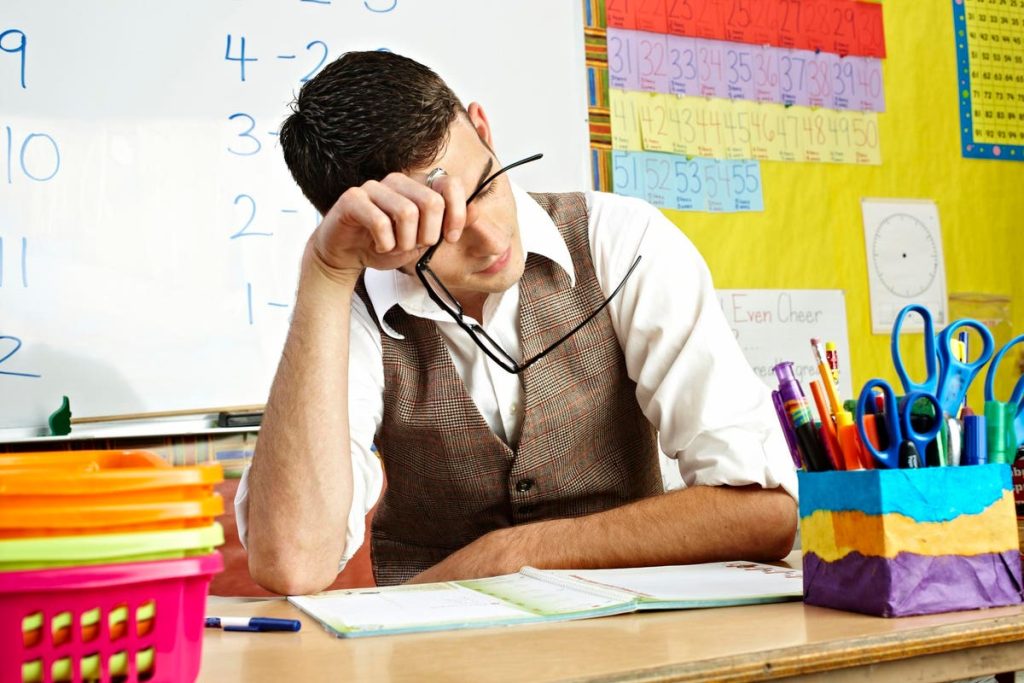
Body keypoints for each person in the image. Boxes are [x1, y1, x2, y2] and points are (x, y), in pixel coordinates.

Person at [236, 50, 798, 595]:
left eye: (484, 186)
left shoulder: (621, 242)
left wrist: (509, 555)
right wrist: (326, 272)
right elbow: (293, 565)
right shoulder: (349, 306)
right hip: (435, 646)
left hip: (638, 634)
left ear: (482, 129)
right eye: (439, 231)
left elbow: (764, 514)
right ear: (367, 228)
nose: (490, 239)